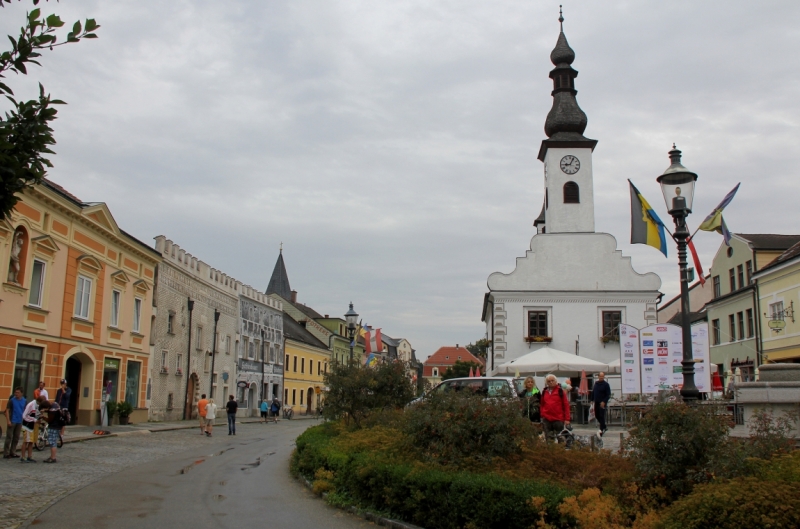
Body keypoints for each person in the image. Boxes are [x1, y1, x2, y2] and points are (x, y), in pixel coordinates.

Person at [539, 374, 570, 442]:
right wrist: (542, 414)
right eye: (549, 381)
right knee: (548, 438)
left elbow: (566, 405)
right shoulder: (544, 392)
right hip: (547, 419)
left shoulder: (560, 391)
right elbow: (542, 404)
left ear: (556, 381)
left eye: (552, 380)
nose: (551, 382)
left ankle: (560, 451)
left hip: (558, 419)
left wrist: (567, 419)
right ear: (547, 382)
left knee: (560, 438)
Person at [4, 387, 26, 459]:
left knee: (16, 438)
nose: (16, 394)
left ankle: (13, 452)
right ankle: (6, 453)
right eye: (15, 392)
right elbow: (7, 410)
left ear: (21, 393)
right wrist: (8, 420)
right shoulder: (12, 401)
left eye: (18, 393)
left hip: (19, 421)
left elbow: (25, 410)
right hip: (12, 420)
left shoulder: (24, 401)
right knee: (9, 437)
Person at [19, 396, 43, 463]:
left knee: (31, 442)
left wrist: (39, 417)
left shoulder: (37, 405)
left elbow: (35, 414)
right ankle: (23, 457)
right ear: (39, 401)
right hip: (26, 426)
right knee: (26, 441)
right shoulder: (31, 405)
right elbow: (24, 415)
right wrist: (35, 420)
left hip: (32, 426)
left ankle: (29, 456)